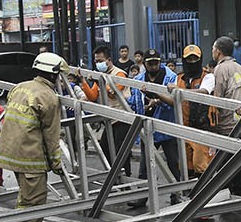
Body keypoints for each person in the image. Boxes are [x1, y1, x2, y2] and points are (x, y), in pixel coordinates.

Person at [0, 52, 65, 222]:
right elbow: (51, 136)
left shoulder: (21, 87)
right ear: (53, 74)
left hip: (10, 150)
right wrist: (56, 163)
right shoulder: (48, 96)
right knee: (34, 197)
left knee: (26, 193)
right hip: (28, 155)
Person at [129, 49, 181, 207]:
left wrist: (157, 96)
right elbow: (134, 101)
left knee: (173, 162)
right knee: (145, 165)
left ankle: (176, 195)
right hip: (147, 127)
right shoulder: (138, 79)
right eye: (150, 63)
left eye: (156, 62)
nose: (153, 66)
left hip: (166, 126)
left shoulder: (171, 77)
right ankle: (143, 196)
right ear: (144, 63)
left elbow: (174, 101)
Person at [81, 45, 144, 177]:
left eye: (101, 61)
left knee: (120, 149)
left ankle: (125, 176)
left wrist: (99, 82)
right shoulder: (101, 75)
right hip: (109, 119)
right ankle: (115, 175)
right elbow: (92, 96)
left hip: (122, 118)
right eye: (96, 61)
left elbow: (113, 93)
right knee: (105, 147)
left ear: (109, 60)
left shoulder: (119, 74)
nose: (98, 64)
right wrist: (83, 82)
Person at [212, 36, 241, 196]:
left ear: (219, 51)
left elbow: (217, 96)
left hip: (227, 122)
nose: (212, 52)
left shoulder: (221, 69)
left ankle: (225, 193)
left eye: (214, 49)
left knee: (223, 161)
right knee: (239, 159)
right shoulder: (240, 68)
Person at [176, 44, 216, 177]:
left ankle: (206, 195)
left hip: (202, 128)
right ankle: (186, 194)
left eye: (195, 59)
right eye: (189, 59)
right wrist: (158, 96)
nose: (192, 62)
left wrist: (179, 91)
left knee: (202, 166)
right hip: (184, 128)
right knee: (186, 167)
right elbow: (174, 100)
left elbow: (203, 92)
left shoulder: (208, 77)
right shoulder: (179, 78)